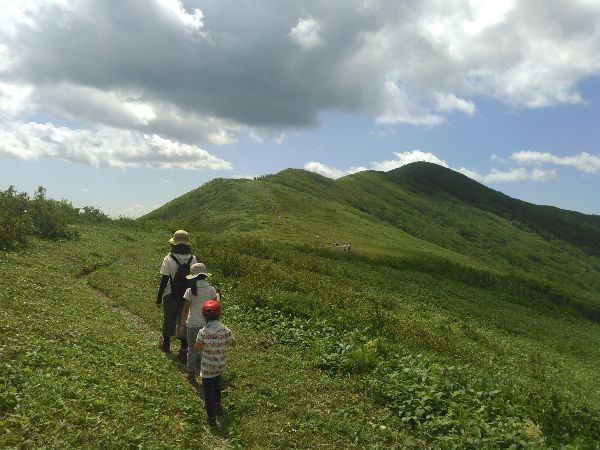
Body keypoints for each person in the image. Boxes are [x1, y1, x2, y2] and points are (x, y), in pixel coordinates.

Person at [155, 229, 197, 361]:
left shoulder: (169, 258)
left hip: (170, 294)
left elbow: (164, 280)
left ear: (174, 243)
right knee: (184, 321)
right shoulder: (193, 258)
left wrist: (158, 298)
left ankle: (166, 344)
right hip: (187, 296)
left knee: (168, 319)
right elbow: (195, 278)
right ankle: (183, 349)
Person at [195, 300, 236, 428]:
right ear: (219, 315)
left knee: (208, 392)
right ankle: (218, 406)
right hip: (220, 365)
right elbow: (234, 343)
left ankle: (211, 418)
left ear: (204, 316)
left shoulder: (202, 332)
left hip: (208, 367)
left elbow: (197, 348)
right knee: (217, 385)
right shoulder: (225, 330)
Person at [180, 262, 220, 381]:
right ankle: (206, 372)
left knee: (191, 349)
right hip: (206, 325)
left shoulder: (189, 291)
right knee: (205, 349)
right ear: (204, 275)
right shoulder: (211, 289)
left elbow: (185, 311)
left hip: (192, 323)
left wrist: (182, 325)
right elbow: (215, 307)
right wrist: (218, 297)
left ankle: (191, 373)